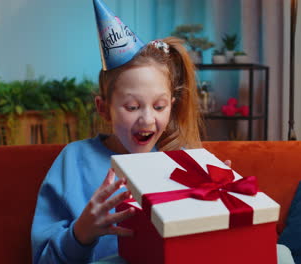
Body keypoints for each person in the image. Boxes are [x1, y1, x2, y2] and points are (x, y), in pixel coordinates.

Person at [31, 0, 203, 263]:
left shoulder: (178, 158)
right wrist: (81, 233)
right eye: (132, 106)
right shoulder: (73, 160)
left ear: (172, 105)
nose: (147, 119)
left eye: (159, 106)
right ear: (104, 108)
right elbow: (44, 260)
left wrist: (217, 197)